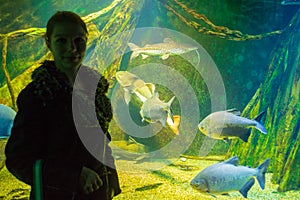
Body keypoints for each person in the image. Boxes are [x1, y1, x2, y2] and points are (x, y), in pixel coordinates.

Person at [5, 11, 121, 199]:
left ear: (86, 40)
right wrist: (75, 176)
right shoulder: (37, 96)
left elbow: (102, 141)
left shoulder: (95, 91)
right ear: (48, 42)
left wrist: (111, 180)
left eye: (78, 40)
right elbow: (18, 160)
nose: (72, 48)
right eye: (61, 40)